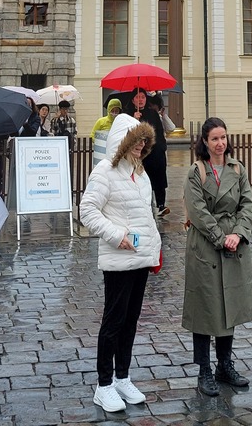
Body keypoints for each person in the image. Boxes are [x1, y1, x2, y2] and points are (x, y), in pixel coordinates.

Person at [79, 121, 161, 414]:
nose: (140, 146)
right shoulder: (105, 171)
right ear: (122, 142)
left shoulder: (139, 170)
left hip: (139, 258)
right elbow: (87, 210)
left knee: (131, 320)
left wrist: (155, 248)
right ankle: (103, 385)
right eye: (135, 141)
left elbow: (146, 215)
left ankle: (123, 377)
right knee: (113, 321)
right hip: (118, 258)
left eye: (143, 142)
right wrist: (116, 235)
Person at [182, 118, 252, 396]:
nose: (220, 143)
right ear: (204, 141)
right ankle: (204, 370)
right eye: (214, 138)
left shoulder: (237, 169)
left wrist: (238, 233)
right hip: (205, 246)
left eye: (223, 137)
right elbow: (198, 211)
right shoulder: (196, 171)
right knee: (205, 307)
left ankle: (225, 365)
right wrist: (220, 237)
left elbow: (247, 204)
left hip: (234, 245)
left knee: (228, 306)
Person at [141, 91, 170, 217]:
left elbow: (169, 128)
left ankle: (161, 204)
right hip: (144, 153)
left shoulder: (155, 115)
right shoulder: (134, 113)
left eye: (143, 97)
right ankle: (148, 204)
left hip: (157, 152)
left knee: (159, 180)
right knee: (145, 180)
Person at [91, 99, 123, 169]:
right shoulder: (101, 121)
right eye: (112, 110)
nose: (114, 113)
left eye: (116, 111)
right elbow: (93, 135)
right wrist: (99, 143)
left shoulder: (121, 123)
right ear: (108, 110)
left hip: (115, 151)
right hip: (102, 151)